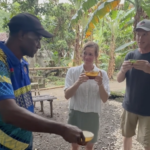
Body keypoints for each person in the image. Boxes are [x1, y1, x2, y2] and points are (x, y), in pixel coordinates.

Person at [0, 13, 85, 150]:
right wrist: (62, 129)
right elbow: (9, 111)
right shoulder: (1, 62)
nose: (39, 45)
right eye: (37, 39)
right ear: (21, 35)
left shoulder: (23, 63)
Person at [64, 41, 110, 150]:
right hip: (75, 112)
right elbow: (66, 95)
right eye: (85, 53)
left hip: (92, 114)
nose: (87, 57)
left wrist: (100, 84)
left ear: (96, 56)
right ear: (81, 54)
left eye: (91, 54)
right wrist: (78, 82)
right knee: (75, 145)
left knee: (89, 146)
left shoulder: (102, 74)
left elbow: (104, 99)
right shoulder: (72, 72)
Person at [117, 19, 150, 150]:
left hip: (148, 109)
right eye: (138, 34)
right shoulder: (130, 55)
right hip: (129, 105)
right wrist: (123, 70)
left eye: (144, 34)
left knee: (147, 143)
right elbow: (119, 79)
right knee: (126, 136)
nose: (140, 38)